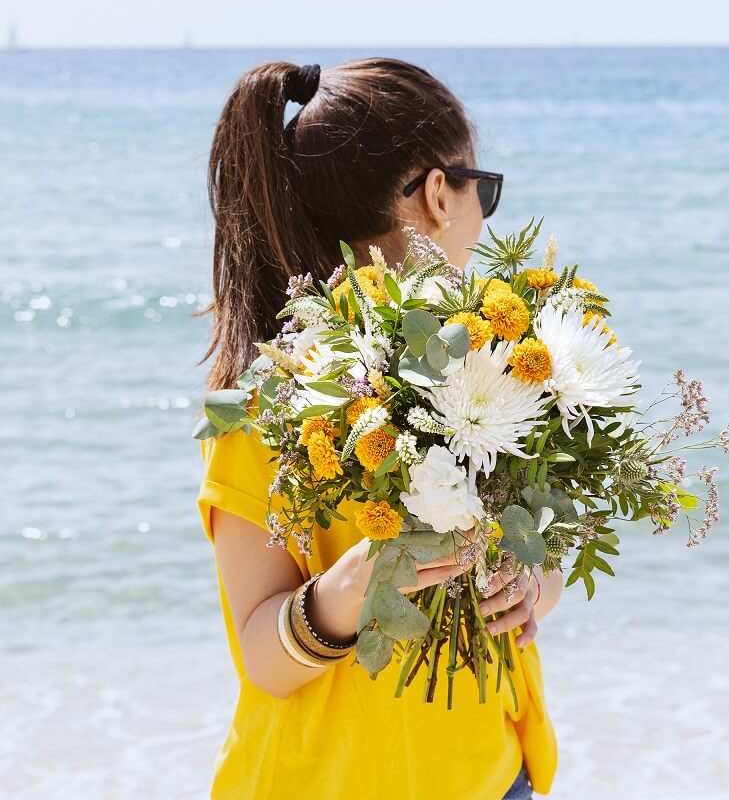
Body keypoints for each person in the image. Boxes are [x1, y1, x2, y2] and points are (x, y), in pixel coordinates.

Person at [195, 58, 563, 799]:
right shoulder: (270, 400)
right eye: (480, 189)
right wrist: (348, 590)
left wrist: (529, 583)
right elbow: (263, 657)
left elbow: (544, 550)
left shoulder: (498, 362)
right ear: (437, 194)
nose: (483, 213)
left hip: (490, 776)